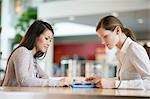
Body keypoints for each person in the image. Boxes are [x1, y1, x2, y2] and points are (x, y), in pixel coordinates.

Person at [86, 15, 150, 89]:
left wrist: (114, 84)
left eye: (105, 36)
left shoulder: (134, 48)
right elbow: (122, 81)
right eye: (101, 38)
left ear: (117, 30)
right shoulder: (119, 51)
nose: (102, 42)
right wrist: (102, 80)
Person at [1, 20, 69, 87]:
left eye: (50, 40)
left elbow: (44, 77)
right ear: (35, 36)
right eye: (46, 38)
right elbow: (24, 81)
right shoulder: (22, 52)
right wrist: (56, 83)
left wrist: (60, 82)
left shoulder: (32, 57)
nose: (48, 43)